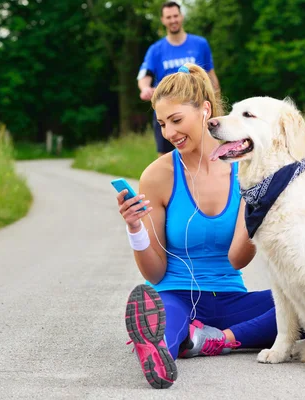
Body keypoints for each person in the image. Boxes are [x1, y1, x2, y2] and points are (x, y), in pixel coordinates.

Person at [118, 63, 277, 389]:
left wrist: (254, 207)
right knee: (163, 319)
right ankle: (157, 346)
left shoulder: (244, 169)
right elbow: (155, 273)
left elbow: (237, 259)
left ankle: (218, 339)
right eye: (162, 124)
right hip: (174, 295)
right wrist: (135, 229)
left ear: (205, 110)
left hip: (231, 299)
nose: (168, 133)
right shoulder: (158, 175)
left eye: (176, 120)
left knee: (304, 304)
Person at [137, 1, 221, 157]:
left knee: (207, 151)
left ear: (181, 17)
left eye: (175, 16)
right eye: (168, 17)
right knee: (166, 156)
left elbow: (211, 76)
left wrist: (216, 103)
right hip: (168, 112)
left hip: (196, 108)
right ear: (163, 20)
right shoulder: (155, 50)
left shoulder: (200, 44)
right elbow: (144, 76)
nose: (173, 20)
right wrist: (145, 89)